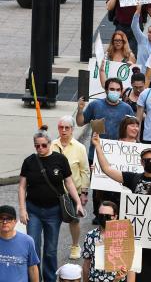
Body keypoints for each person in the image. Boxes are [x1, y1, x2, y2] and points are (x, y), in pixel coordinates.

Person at [19, 129, 84, 282]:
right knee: (33, 248)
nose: (40, 149)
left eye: (43, 145)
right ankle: (34, 279)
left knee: (50, 250)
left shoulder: (60, 159)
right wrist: (22, 209)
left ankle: (49, 279)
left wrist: (79, 203)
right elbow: (22, 186)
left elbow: (69, 182)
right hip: (33, 210)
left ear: (50, 144)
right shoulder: (29, 161)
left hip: (54, 211)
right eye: (37, 146)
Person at [51, 117, 89, 260]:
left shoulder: (80, 148)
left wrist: (84, 193)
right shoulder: (51, 145)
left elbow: (85, 171)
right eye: (61, 127)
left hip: (73, 192)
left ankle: (75, 245)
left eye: (67, 128)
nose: (64, 130)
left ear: (73, 129)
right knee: (53, 220)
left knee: (74, 220)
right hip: (54, 192)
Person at [81, 200, 133, 282]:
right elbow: (86, 264)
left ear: (115, 217)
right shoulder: (90, 236)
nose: (104, 218)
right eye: (101, 215)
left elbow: (131, 267)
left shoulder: (124, 236)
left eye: (107, 216)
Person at [0, 204, 40, 282]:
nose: (5, 222)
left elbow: (32, 268)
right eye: (1, 219)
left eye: (9, 219)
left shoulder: (27, 241)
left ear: (15, 221)